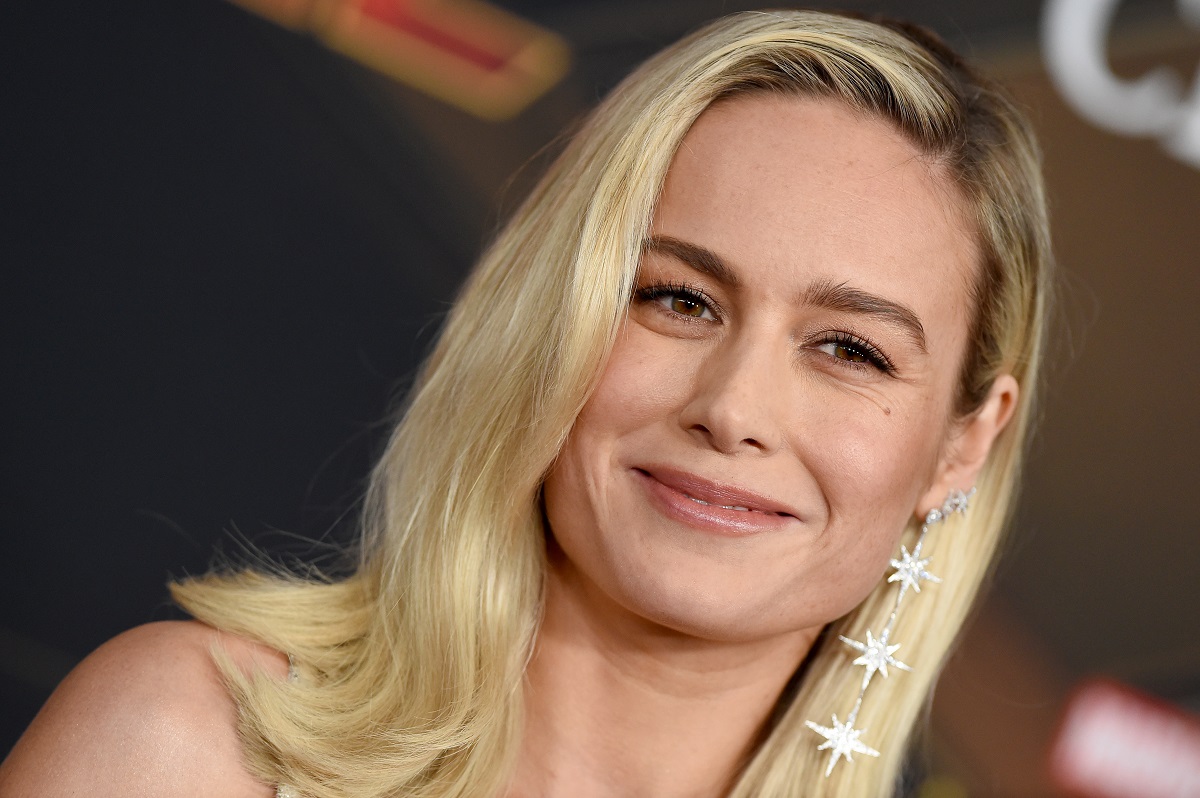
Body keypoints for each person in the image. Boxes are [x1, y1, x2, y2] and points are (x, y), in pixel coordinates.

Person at [0, 9, 1051, 798]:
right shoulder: (189, 747)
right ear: (554, 317)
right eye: (678, 299)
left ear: (963, 445)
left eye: (850, 349)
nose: (733, 408)